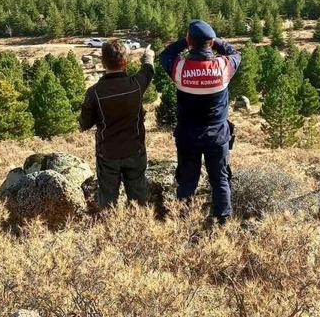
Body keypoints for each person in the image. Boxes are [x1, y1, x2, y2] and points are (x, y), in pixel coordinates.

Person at [160, 20, 241, 223]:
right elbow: (235, 54)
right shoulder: (222, 67)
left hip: (188, 135)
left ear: (190, 41)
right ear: (210, 41)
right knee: (220, 179)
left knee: (187, 182)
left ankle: (184, 222)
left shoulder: (180, 68)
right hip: (217, 134)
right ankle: (223, 222)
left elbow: (166, 55)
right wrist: (216, 43)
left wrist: (184, 43)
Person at [79, 40, 155, 208]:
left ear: (102, 62)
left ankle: (111, 229)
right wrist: (148, 57)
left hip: (108, 153)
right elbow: (148, 70)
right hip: (135, 150)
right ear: (125, 62)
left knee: (108, 202)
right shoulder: (136, 84)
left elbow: (84, 124)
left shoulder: (94, 92)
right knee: (138, 200)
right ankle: (140, 227)